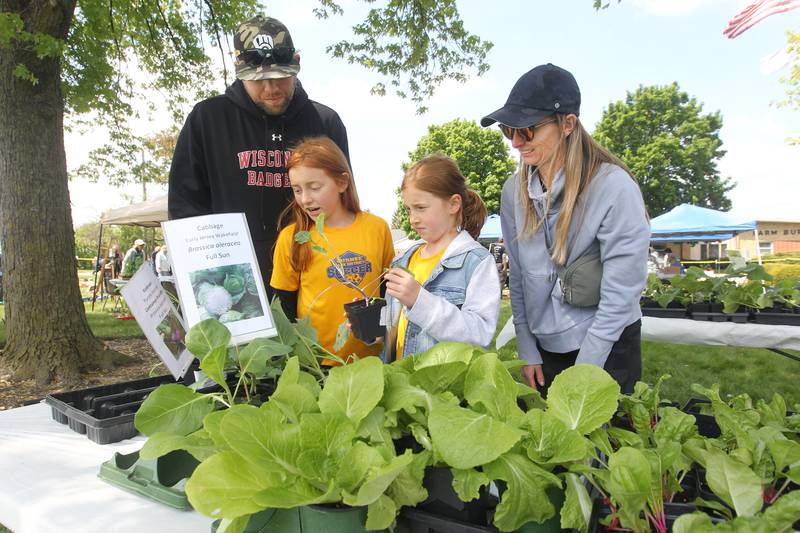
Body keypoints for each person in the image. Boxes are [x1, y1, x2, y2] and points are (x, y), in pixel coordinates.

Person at [482, 63, 649, 395]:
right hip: (546, 349)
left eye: (527, 130)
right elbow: (518, 277)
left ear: (568, 124)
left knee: (604, 444)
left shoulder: (614, 187)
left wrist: (585, 372)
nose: (516, 142)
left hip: (608, 343)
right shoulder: (512, 192)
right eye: (508, 129)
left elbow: (621, 292)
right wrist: (527, 348)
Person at [168, 16, 350, 290]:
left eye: (280, 76)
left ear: (297, 63)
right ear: (239, 71)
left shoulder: (325, 122)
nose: (271, 88)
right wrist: (203, 280)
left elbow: (344, 202)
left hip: (311, 281)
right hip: (233, 282)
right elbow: (185, 209)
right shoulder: (207, 120)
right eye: (258, 80)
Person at [270, 137, 394, 363]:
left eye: (314, 187)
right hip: (317, 364)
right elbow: (283, 307)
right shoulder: (291, 238)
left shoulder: (377, 228)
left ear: (342, 183)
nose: (305, 199)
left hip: (373, 359)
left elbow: (387, 292)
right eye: (297, 190)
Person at [382, 154, 501, 361]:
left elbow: (480, 333)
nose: (413, 219)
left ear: (453, 204)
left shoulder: (476, 262)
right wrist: (371, 328)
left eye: (420, 208)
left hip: (442, 388)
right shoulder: (404, 260)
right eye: (409, 209)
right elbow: (392, 325)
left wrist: (420, 301)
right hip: (400, 383)